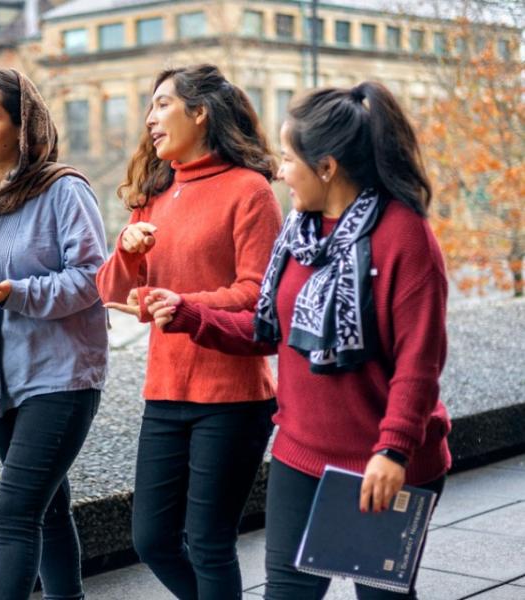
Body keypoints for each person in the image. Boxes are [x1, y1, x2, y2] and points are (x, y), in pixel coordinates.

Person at [148, 81, 452, 600]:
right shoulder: (298, 232)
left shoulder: (404, 235)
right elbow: (268, 332)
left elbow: (418, 365)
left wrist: (393, 450)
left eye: (289, 159)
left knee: (379, 597)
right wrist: (190, 315)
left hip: (381, 460)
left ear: (327, 167)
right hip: (301, 451)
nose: (280, 171)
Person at [96, 64, 282, 600]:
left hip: (233, 396)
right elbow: (109, 290)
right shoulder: (154, 193)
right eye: (150, 107)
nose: (150, 119)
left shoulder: (250, 191)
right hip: (165, 391)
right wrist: (127, 252)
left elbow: (259, 296)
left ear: (199, 113)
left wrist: (183, 304)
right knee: (152, 540)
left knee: (208, 543)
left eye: (162, 104)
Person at [0, 68, 108, 600]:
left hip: (62, 376)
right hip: (0, 380)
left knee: (14, 514)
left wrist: (17, 293)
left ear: (22, 126)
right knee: (47, 508)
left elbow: (93, 279)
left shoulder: (64, 191)